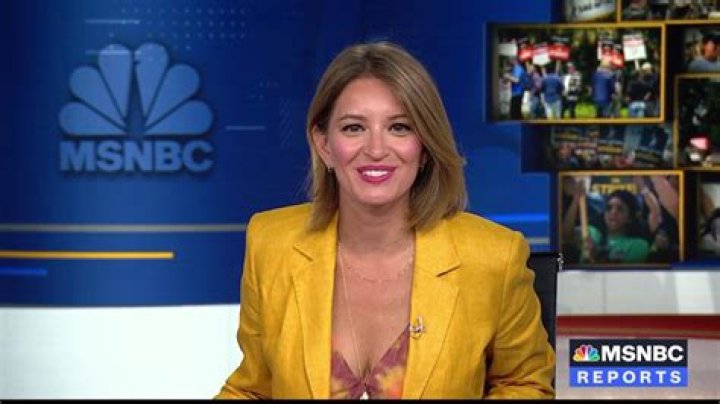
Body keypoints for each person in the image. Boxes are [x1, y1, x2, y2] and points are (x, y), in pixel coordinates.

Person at [215, 41, 555, 399]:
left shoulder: (494, 257)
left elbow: (525, 384)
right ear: (324, 144)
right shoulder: (272, 244)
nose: (376, 150)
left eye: (399, 127)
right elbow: (253, 389)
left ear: (425, 147)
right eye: (353, 128)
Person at [563, 185, 650, 264]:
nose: (613, 212)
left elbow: (624, 274)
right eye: (609, 208)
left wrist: (597, 255)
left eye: (620, 209)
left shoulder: (639, 245)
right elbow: (566, 235)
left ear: (630, 218)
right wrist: (576, 200)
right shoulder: (591, 233)